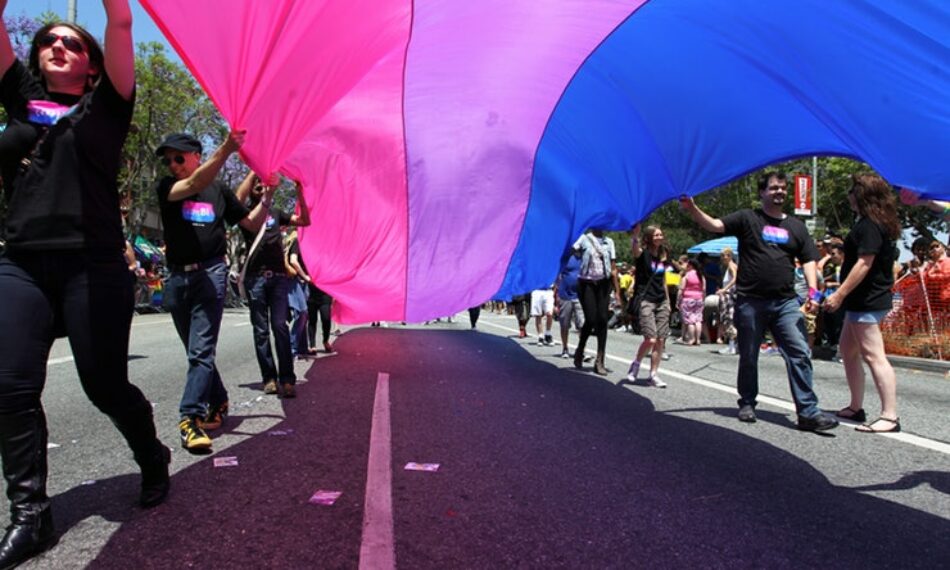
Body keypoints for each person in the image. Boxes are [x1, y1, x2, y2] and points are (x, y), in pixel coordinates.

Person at [0, 4, 172, 567]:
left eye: (72, 44)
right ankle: (30, 514)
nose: (58, 46)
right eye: (49, 40)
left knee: (104, 386)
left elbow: (119, 24)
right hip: (21, 263)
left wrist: (114, 10)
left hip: (92, 265)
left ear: (92, 69)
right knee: (11, 389)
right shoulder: (23, 100)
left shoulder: (108, 108)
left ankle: (151, 456)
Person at [681, 171, 839, 431]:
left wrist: (813, 293)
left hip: (785, 303)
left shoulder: (796, 227)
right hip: (751, 302)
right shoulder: (747, 218)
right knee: (750, 355)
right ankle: (747, 402)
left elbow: (810, 259)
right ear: (762, 192)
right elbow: (715, 225)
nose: (779, 192)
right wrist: (692, 208)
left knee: (799, 352)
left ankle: (808, 412)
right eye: (774, 188)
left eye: (783, 188)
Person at [155, 132, 273, 453]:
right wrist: (227, 149)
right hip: (178, 278)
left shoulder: (219, 191)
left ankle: (189, 417)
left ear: (196, 154)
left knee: (201, 351)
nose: (173, 165)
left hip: (211, 274)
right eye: (168, 161)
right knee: (196, 350)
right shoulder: (167, 187)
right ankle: (218, 400)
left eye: (179, 158)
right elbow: (191, 185)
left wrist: (269, 198)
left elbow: (249, 224)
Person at [824, 174, 901, 432]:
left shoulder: (869, 224)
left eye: (852, 190)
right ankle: (856, 406)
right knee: (847, 350)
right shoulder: (874, 223)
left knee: (873, 355)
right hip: (862, 301)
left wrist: (839, 294)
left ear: (863, 195)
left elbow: (864, 263)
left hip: (867, 300)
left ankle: (890, 416)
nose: (849, 195)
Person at [235, 177, 311, 397]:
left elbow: (305, 220)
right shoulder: (245, 213)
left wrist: (300, 193)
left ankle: (287, 379)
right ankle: (269, 378)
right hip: (254, 280)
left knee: (280, 326)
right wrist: (253, 170)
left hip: (278, 279)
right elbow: (238, 197)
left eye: (262, 181)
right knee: (260, 331)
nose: (259, 184)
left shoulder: (277, 213)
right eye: (255, 182)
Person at [572, 229, 622, 375]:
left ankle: (600, 360)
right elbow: (572, 251)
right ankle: (580, 348)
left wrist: (618, 292)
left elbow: (613, 268)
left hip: (604, 284)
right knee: (591, 318)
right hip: (586, 283)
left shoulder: (609, 242)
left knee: (602, 320)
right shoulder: (583, 239)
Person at [626, 224, 670, 387]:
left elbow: (663, 279)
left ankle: (653, 374)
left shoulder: (664, 255)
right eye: (656, 235)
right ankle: (636, 364)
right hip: (646, 300)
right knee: (650, 338)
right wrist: (635, 235)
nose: (659, 237)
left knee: (660, 340)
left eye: (661, 234)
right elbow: (635, 250)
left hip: (661, 301)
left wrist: (668, 302)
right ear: (650, 237)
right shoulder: (643, 255)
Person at [287, 233, 335, 353]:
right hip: (307, 287)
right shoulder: (299, 243)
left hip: (323, 290)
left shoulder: (322, 248)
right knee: (308, 317)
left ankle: (323, 341)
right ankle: (306, 346)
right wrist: (305, 277)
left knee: (325, 318)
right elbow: (293, 261)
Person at [555, 255, 584, 358]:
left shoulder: (584, 257)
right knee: (564, 324)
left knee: (582, 325)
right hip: (565, 295)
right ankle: (565, 348)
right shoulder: (565, 258)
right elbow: (557, 277)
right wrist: (557, 295)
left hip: (580, 296)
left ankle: (581, 350)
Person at [677, 259, 705, 345]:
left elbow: (681, 290)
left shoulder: (687, 276)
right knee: (698, 320)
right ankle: (698, 339)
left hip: (688, 299)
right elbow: (704, 289)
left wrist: (678, 300)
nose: (686, 267)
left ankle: (692, 339)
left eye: (688, 266)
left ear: (691, 266)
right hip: (699, 299)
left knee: (690, 320)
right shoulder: (701, 276)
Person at [717, 247, 739, 355]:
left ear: (729, 256)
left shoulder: (731, 266)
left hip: (729, 296)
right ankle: (732, 345)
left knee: (729, 320)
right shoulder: (730, 266)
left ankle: (732, 346)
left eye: (723, 255)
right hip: (729, 295)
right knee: (729, 320)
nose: (722, 258)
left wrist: (724, 289)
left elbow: (735, 278)